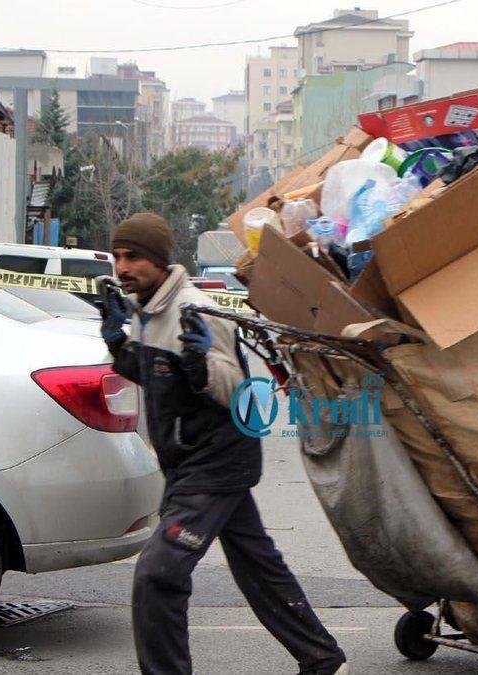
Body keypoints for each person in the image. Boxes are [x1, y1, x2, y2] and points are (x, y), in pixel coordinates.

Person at [97, 212, 348, 675]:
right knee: (258, 567)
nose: (122, 267)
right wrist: (119, 345)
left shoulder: (192, 311)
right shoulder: (149, 311)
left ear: (159, 259)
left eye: (133, 257)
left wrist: (198, 367)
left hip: (212, 463)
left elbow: (237, 390)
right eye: (117, 256)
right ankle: (323, 659)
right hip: (189, 462)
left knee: (158, 575)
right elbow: (158, 377)